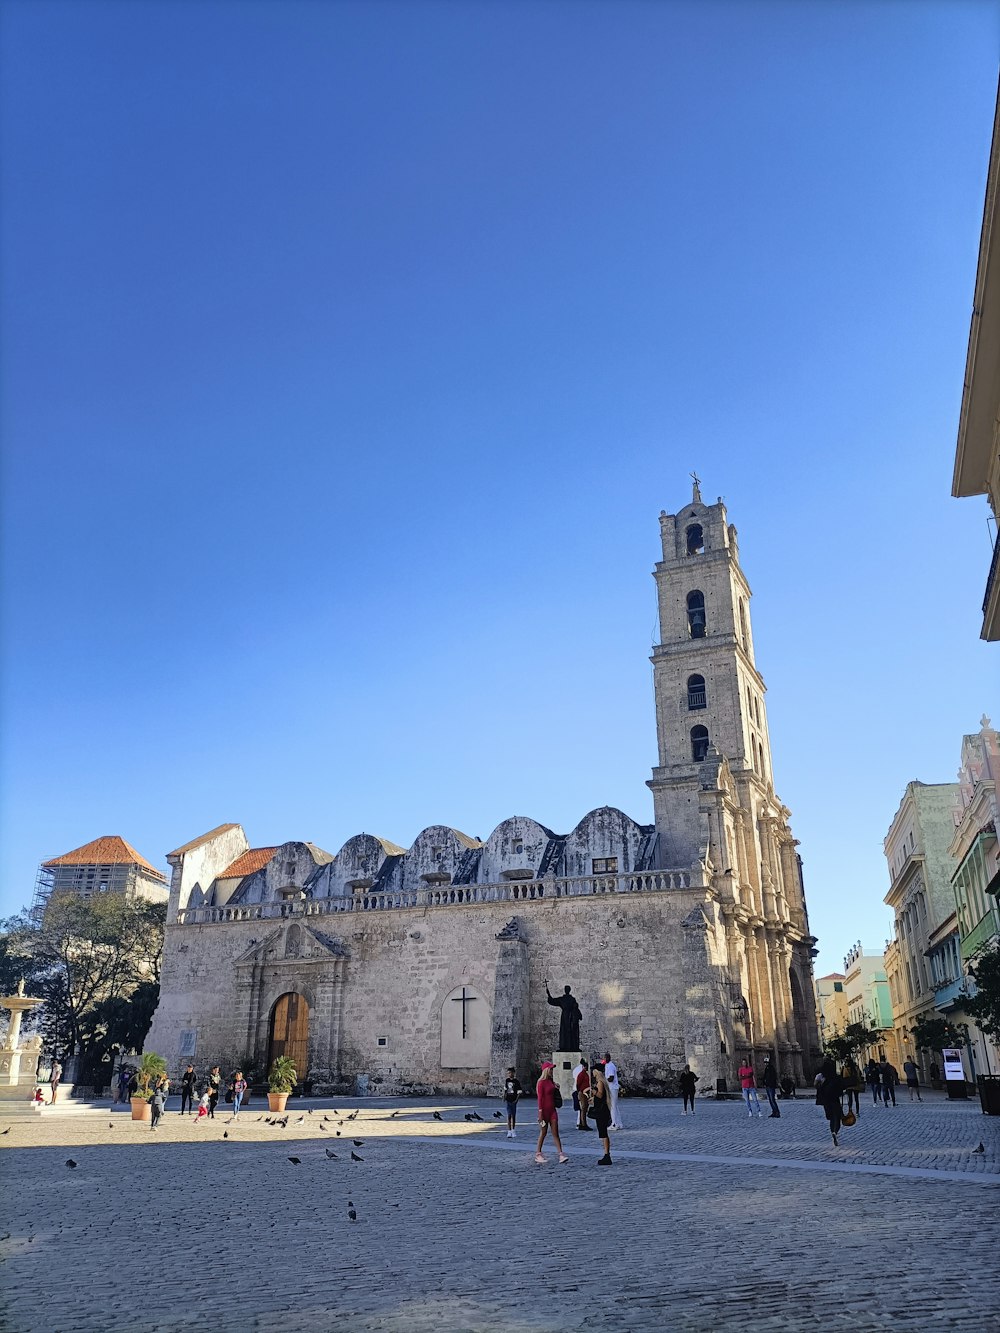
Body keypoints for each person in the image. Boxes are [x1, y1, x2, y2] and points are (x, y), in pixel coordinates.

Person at [535, 1061, 569, 1164]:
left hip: (552, 1110)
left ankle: (561, 1154)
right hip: (544, 1111)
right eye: (550, 1069)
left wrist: (557, 1088)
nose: (552, 1071)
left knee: (555, 1133)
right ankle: (538, 1153)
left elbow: (554, 1095)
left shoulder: (551, 1082)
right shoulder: (541, 1083)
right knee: (543, 1132)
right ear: (546, 1070)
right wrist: (540, 1113)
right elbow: (540, 1099)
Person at [544, 981, 582, 1052]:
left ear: (566, 990)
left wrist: (548, 995)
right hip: (570, 1017)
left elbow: (552, 1001)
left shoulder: (562, 999)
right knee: (570, 1032)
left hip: (565, 1016)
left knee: (565, 1031)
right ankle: (571, 1046)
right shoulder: (572, 999)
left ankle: (565, 1046)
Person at [815, 1057, 845, 1146]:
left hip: (826, 1101)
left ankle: (832, 1131)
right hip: (835, 1100)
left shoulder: (820, 1077)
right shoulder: (835, 1077)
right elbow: (841, 1088)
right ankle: (835, 1131)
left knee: (831, 1118)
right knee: (837, 1117)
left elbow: (816, 1086)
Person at [589, 1061, 613, 1165]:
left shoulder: (600, 1083)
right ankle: (606, 1154)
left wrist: (593, 1091)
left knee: (603, 1133)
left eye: (593, 1071)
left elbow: (600, 1094)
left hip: (602, 1112)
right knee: (603, 1133)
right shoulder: (601, 1082)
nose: (592, 1073)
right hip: (603, 1110)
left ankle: (607, 1155)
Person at [603, 1051, 623, 1129]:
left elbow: (611, 1078)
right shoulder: (607, 1065)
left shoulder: (610, 1066)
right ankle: (619, 1123)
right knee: (615, 1106)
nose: (604, 1059)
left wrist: (604, 1080)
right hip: (611, 1087)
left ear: (608, 1058)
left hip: (612, 1088)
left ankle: (614, 1123)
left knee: (612, 1106)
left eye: (605, 1057)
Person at [502, 1067, 523, 1139]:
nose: (509, 1074)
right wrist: (504, 1097)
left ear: (513, 1073)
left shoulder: (516, 1081)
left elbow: (519, 1091)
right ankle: (509, 1131)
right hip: (508, 1099)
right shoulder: (507, 1080)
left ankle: (513, 1130)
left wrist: (517, 1099)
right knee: (508, 1115)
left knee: (513, 1116)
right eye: (508, 1073)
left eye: (510, 1073)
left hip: (514, 1100)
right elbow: (505, 1089)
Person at [575, 1059, 592, 1131]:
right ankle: (583, 1124)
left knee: (585, 1108)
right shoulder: (581, 1074)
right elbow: (578, 1084)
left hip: (586, 1092)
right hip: (582, 1092)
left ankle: (583, 1123)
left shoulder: (585, 1074)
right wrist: (580, 1092)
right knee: (584, 1108)